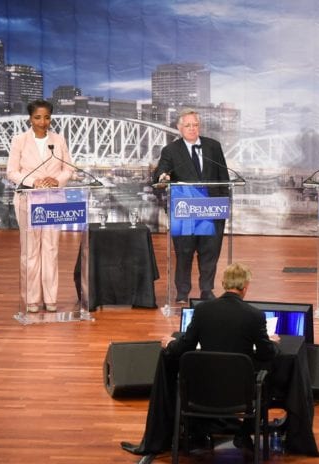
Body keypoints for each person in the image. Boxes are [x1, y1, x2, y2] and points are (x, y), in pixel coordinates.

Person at [121, 262, 280, 457]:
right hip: (241, 395)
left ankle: (195, 432)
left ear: (223, 283)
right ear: (245, 286)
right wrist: (272, 342)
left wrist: (171, 343)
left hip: (202, 391)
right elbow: (266, 354)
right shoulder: (255, 316)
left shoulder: (203, 310)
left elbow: (185, 347)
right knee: (266, 379)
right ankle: (245, 433)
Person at [153, 109, 230, 303]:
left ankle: (206, 290)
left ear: (199, 126)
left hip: (212, 210)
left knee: (210, 253)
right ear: (179, 128)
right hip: (185, 211)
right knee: (184, 253)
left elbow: (224, 178)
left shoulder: (213, 146)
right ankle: (182, 292)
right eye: (187, 125)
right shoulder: (171, 150)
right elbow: (160, 173)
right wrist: (163, 177)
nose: (192, 128)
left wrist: (224, 204)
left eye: (195, 124)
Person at [6, 100, 74, 313]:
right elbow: (11, 172)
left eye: (46, 117)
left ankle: (51, 299)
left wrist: (57, 181)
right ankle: (32, 300)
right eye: (37, 117)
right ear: (30, 119)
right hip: (28, 200)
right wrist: (32, 182)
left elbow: (68, 169)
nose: (42, 122)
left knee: (51, 250)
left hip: (53, 201)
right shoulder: (20, 140)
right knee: (30, 252)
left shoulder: (59, 140)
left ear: (50, 118)